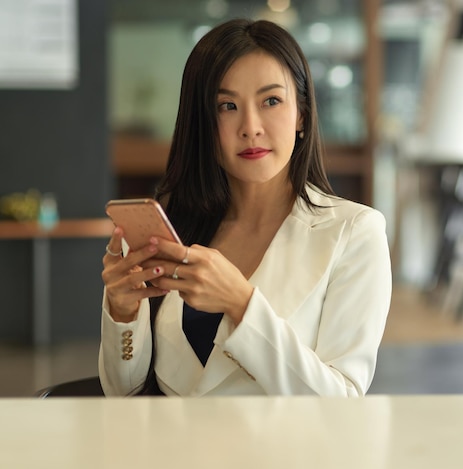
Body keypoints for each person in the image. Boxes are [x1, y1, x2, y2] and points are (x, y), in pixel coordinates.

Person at [99, 18, 392, 396]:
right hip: (171, 453)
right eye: (227, 106)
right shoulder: (169, 232)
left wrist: (242, 303)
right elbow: (121, 392)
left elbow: (341, 403)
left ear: (301, 113)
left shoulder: (353, 232)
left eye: (271, 100)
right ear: (203, 123)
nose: (250, 126)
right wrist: (123, 312)